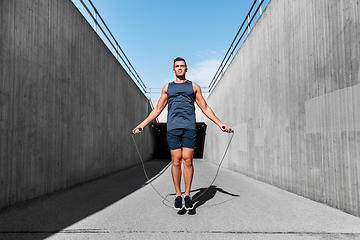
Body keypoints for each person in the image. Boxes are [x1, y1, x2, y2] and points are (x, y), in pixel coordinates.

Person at [133, 57, 232, 210]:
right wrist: (142, 124)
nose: (179, 68)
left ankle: (187, 195)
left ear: (186, 69)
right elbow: (158, 109)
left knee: (188, 161)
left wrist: (220, 124)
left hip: (189, 128)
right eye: (177, 66)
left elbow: (205, 108)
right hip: (173, 129)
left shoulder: (194, 87)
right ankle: (178, 196)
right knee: (176, 161)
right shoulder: (167, 88)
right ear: (173, 70)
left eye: (182, 66)